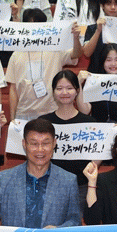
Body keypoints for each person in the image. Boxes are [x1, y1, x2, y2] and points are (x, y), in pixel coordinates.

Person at [5, 8, 82, 121]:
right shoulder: (16, 54)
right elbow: (13, 89)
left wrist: (76, 38)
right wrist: (13, 118)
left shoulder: (55, 49)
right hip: (24, 112)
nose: (35, 30)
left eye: (38, 25)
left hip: (51, 111)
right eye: (31, 26)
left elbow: (76, 54)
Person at [40, 70, 97, 207]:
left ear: (77, 91)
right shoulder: (43, 122)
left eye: (69, 88)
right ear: (53, 92)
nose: (64, 92)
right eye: (59, 88)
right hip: (49, 186)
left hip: (81, 186)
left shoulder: (89, 123)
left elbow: (97, 153)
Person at [77, 43, 117, 129]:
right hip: (99, 134)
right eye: (108, 60)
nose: (113, 64)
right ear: (102, 62)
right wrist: (78, 83)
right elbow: (84, 111)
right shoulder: (94, 83)